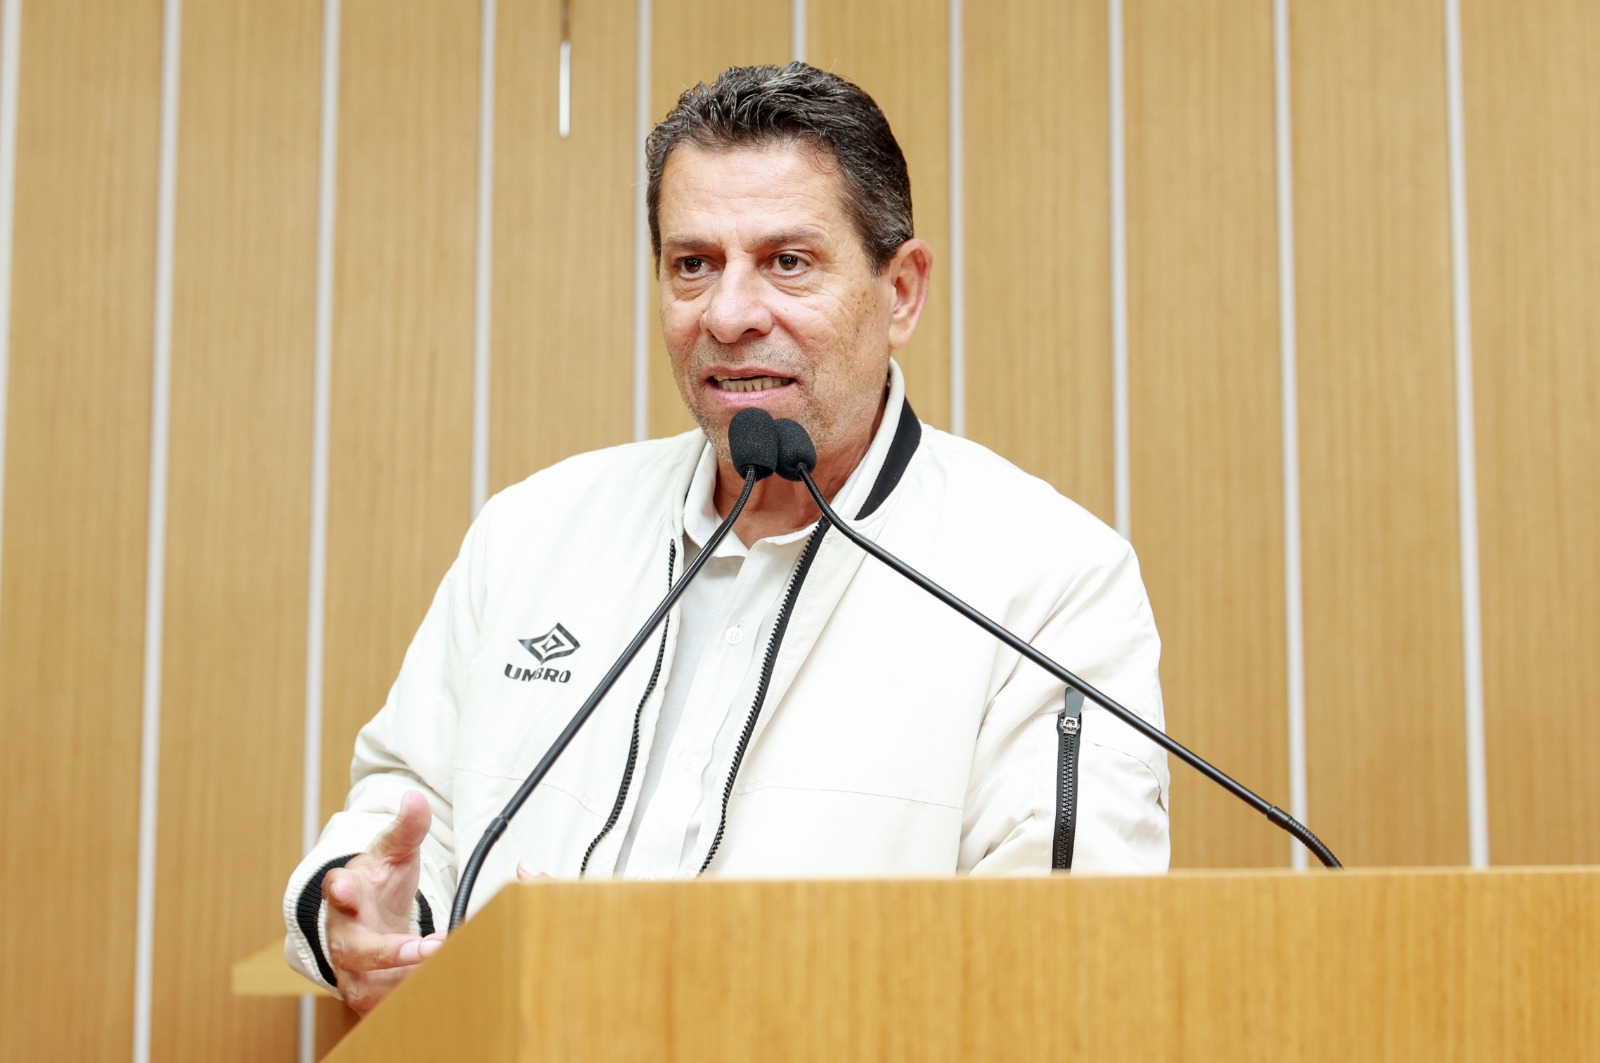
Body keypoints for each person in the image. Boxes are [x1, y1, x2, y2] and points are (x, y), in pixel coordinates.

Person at [284, 62, 1170, 1015]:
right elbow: (404, 804)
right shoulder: (532, 531)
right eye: (693, 264)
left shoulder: (1049, 580)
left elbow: (1060, 966)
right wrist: (370, 916)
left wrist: (649, 979)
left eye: (788, 261)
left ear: (902, 292)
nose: (729, 314)